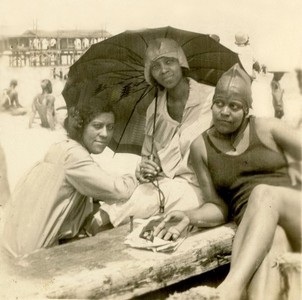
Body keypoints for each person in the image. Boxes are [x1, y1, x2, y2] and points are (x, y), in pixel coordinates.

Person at [154, 64, 301, 300]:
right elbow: (218, 206)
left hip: (296, 213)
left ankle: (228, 290)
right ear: (211, 104)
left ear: (247, 109)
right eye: (219, 103)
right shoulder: (200, 147)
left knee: (263, 193)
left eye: (234, 106)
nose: (225, 111)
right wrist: (189, 216)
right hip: (261, 229)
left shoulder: (268, 129)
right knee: (274, 244)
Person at [99, 38, 214, 227]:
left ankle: (95, 226)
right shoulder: (154, 109)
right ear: (149, 73)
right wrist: (144, 169)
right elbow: (147, 157)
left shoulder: (210, 99)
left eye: (169, 61)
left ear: (181, 62)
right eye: (155, 66)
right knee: (128, 194)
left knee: (141, 201)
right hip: (163, 185)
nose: (164, 70)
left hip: (199, 188)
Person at [1, 102, 138, 257]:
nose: (105, 134)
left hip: (15, 243)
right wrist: (136, 177)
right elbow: (119, 190)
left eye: (110, 127)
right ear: (81, 127)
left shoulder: (62, 147)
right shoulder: (75, 156)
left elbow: (90, 180)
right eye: (97, 126)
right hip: (33, 253)